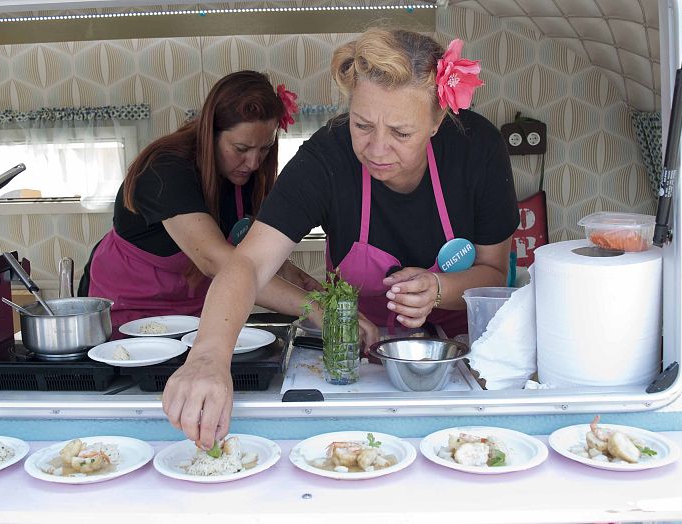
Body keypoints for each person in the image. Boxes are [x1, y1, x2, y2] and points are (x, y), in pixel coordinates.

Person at [162, 28, 520, 449]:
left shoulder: (477, 151)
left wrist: (440, 288)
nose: (378, 149)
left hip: (458, 363)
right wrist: (208, 357)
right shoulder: (327, 156)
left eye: (401, 133)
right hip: (355, 362)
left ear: (438, 120)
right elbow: (248, 262)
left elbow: (495, 273)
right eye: (362, 125)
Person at [83, 70, 320, 328]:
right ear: (211, 134)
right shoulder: (164, 171)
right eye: (241, 149)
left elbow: (252, 253)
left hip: (193, 315)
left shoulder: (244, 177)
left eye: (264, 149)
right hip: (130, 311)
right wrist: (313, 308)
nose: (253, 163)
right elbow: (215, 261)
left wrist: (301, 282)